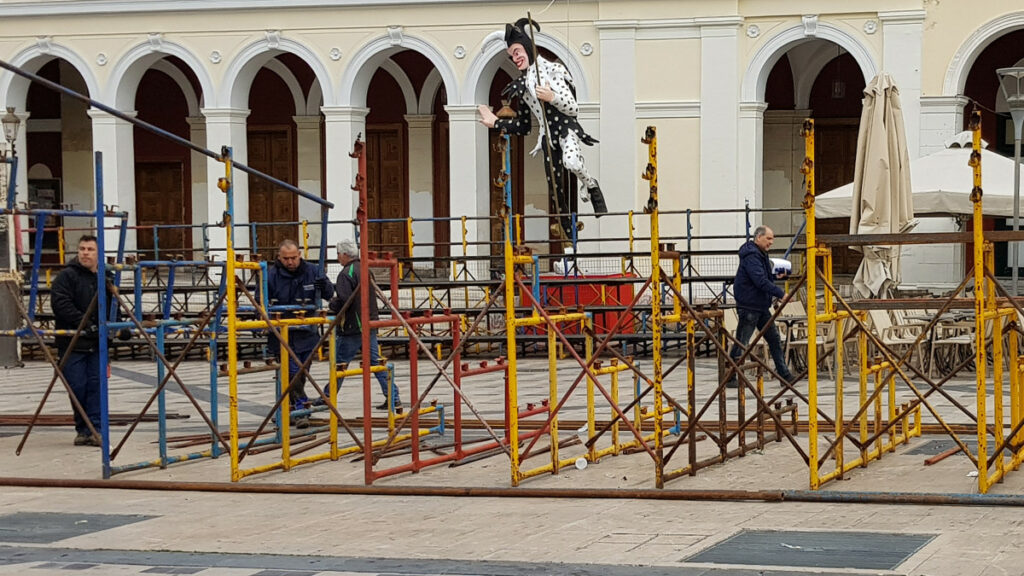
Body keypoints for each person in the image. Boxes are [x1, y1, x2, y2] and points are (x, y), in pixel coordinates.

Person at [477, 17, 606, 238]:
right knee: (557, 194)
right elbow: (525, 126)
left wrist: (552, 97)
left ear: (527, 47)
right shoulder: (522, 86)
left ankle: (590, 184)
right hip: (547, 137)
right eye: (511, 55)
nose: (515, 58)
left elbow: (573, 108)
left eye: (517, 52)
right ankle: (569, 245)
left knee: (572, 162)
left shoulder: (553, 70)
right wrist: (496, 122)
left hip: (566, 130)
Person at [265, 239, 333, 426]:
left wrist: (324, 284)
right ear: (279, 257)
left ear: (300, 255)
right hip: (282, 334)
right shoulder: (271, 275)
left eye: (294, 258)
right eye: (286, 258)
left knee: (301, 374)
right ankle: (302, 407)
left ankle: (287, 409)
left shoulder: (312, 271)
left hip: (307, 334)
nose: (290, 262)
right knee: (292, 372)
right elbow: (261, 300)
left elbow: (329, 294)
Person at [329, 239, 402, 412]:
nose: (338, 257)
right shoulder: (365, 269)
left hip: (352, 327)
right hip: (369, 323)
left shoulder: (346, 274)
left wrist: (332, 304)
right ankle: (394, 397)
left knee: (339, 364)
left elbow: (344, 301)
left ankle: (328, 396)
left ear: (345, 254)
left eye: (338, 254)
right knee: (375, 362)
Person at [51, 235, 107, 446]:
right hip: (73, 343)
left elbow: (111, 302)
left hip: (96, 343)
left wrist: (115, 324)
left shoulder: (103, 277)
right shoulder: (67, 276)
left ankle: (94, 429)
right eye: (82, 248)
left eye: (90, 249)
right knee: (77, 386)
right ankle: (83, 428)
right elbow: (61, 304)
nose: (85, 252)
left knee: (96, 386)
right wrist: (84, 323)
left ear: (98, 253)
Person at [726, 226, 796, 388]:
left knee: (773, 339)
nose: (771, 242)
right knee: (742, 342)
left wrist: (773, 276)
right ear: (758, 238)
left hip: (760, 305)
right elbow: (759, 280)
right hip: (750, 305)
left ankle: (784, 375)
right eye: (769, 239)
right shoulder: (752, 256)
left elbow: (761, 277)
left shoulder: (759, 254)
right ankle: (730, 375)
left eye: (772, 239)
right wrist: (781, 294)